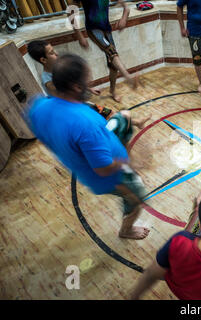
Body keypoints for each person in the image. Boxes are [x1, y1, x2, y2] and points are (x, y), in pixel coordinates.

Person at [28, 54, 150, 240]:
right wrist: (125, 162)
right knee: (138, 197)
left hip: (97, 148)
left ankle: (131, 132)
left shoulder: (39, 107)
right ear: (77, 87)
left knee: (123, 116)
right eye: (87, 79)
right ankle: (126, 230)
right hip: (106, 175)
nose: (90, 81)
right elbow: (102, 169)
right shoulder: (85, 123)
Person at [27, 40, 152, 145]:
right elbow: (65, 96)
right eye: (52, 53)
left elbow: (72, 84)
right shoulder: (48, 80)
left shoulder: (58, 70)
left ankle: (136, 123)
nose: (56, 53)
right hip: (75, 114)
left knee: (110, 115)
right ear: (43, 60)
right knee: (105, 124)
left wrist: (89, 89)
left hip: (81, 106)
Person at [130, 193, 201, 300]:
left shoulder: (179, 240)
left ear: (199, 223)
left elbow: (151, 274)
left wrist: (134, 297)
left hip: (176, 290)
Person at [68, 0, 140, 102]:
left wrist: (125, 16)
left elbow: (126, 7)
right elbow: (70, 11)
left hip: (106, 28)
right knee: (112, 52)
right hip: (93, 29)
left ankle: (112, 91)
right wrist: (79, 35)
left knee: (113, 65)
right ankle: (129, 78)